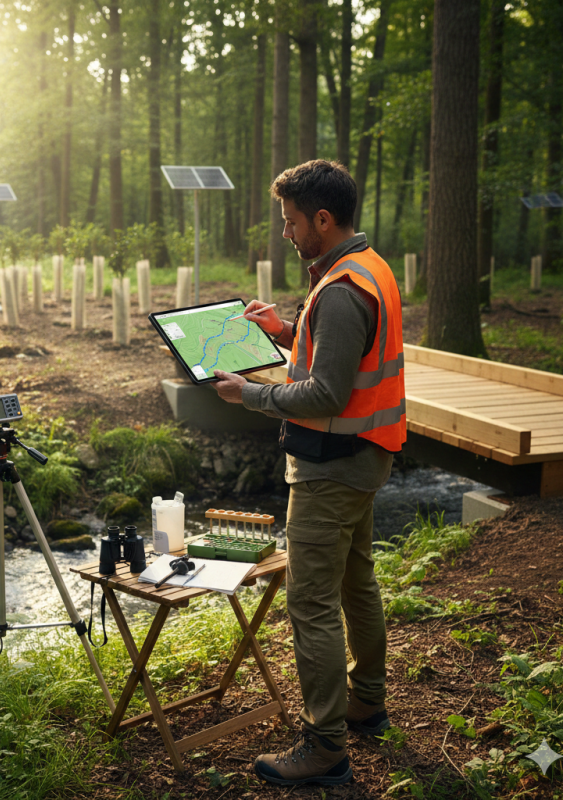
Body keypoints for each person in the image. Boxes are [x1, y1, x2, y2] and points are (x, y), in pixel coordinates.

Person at [212, 159, 406, 787]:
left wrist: (252, 395)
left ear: (323, 219)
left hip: (333, 464)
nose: (288, 234)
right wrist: (286, 329)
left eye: (293, 223)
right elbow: (335, 351)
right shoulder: (364, 267)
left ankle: (325, 746)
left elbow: (325, 392)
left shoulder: (344, 290)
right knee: (356, 581)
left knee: (311, 604)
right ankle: (366, 702)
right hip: (365, 455)